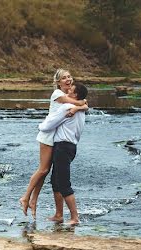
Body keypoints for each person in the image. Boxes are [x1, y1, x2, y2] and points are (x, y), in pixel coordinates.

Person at [20, 69, 88, 217]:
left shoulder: (70, 96)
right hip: (47, 135)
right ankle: (26, 197)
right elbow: (79, 102)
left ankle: (34, 200)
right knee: (43, 170)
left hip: (55, 136)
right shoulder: (58, 95)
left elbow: (82, 104)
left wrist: (79, 107)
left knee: (46, 172)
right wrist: (80, 105)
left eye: (69, 76)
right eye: (64, 78)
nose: (68, 79)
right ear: (58, 82)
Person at [36, 83, 89, 226]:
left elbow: (47, 126)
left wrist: (39, 126)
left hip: (62, 147)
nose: (68, 91)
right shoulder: (81, 111)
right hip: (71, 147)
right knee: (55, 181)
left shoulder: (67, 107)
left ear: (75, 95)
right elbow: (84, 106)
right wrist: (80, 106)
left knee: (64, 183)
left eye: (71, 90)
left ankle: (74, 217)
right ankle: (58, 215)